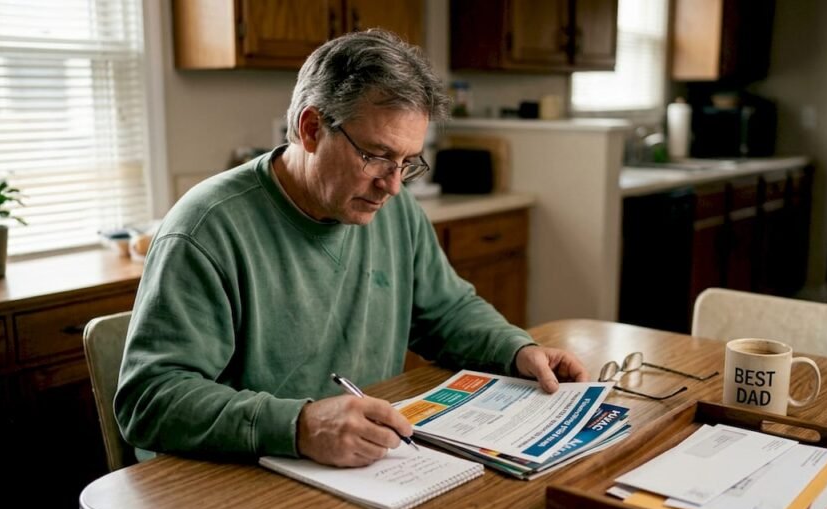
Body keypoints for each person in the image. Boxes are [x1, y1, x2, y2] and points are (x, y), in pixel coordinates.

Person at [116, 29, 589, 468]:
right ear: (310, 129)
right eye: (377, 155)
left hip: (357, 470)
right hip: (233, 481)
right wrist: (301, 426)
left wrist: (515, 350)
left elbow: (447, 312)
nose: (392, 185)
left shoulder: (391, 211)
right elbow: (150, 401)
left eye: (407, 162)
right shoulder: (207, 227)